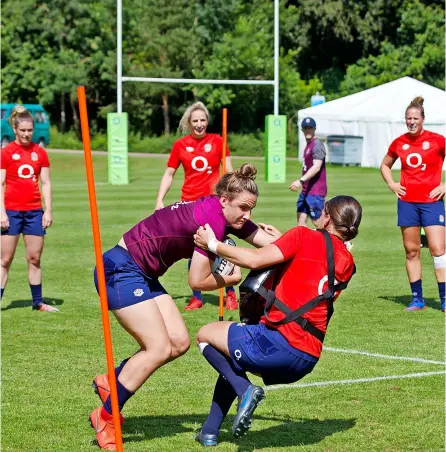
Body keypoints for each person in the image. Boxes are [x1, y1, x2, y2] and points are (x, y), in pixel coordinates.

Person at [89, 164, 279, 450]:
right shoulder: (212, 222)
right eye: (243, 208)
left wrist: (308, 239)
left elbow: (274, 246)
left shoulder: (226, 214)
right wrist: (231, 277)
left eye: (251, 208)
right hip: (119, 269)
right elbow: (197, 280)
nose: (248, 216)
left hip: (142, 273)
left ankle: (113, 380)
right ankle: (105, 416)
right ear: (224, 200)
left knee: (179, 342)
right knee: (158, 348)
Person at [193, 195, 362, 446]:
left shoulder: (303, 236)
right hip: (306, 359)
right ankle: (209, 432)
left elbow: (252, 260)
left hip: (275, 344)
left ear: (327, 217)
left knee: (205, 335)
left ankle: (244, 390)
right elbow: (313, 266)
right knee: (230, 356)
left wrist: (212, 244)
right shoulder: (348, 261)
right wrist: (285, 240)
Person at [155, 101, 238, 311]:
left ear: (207, 121)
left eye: (203, 120)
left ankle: (230, 293)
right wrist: (159, 199)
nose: (199, 124)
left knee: (221, 247)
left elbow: (228, 170)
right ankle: (197, 296)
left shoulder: (218, 141)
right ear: (189, 123)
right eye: (195, 121)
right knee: (195, 250)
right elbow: (169, 173)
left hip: (214, 204)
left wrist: (231, 194)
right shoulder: (180, 145)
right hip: (189, 205)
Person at [380, 96, 445, 312]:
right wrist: (392, 184)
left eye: (415, 118)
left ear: (423, 119)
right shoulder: (399, 142)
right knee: (411, 251)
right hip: (407, 203)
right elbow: (385, 165)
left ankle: (444, 299)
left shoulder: (437, 140)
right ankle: (417, 299)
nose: (411, 121)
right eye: (408, 118)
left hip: (432, 203)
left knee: (437, 249)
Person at [0, 106, 55, 312]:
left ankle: (37, 302)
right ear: (15, 129)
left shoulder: (40, 153)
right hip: (11, 213)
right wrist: (1, 212)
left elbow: (46, 183)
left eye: (29, 130)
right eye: (22, 130)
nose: (26, 134)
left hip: (34, 212)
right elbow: (1, 183)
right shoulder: (5, 153)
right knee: (5, 259)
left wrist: (47, 210)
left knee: (34, 258)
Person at [290, 117, 327, 227]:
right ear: (302, 130)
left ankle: (343, 241)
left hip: (315, 191)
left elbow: (316, 167)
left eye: (310, 128)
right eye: (305, 128)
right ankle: (302, 244)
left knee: (319, 223)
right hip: (306, 191)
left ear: (314, 129)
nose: (307, 131)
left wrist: (300, 181)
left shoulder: (317, 145)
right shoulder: (308, 145)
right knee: (301, 220)